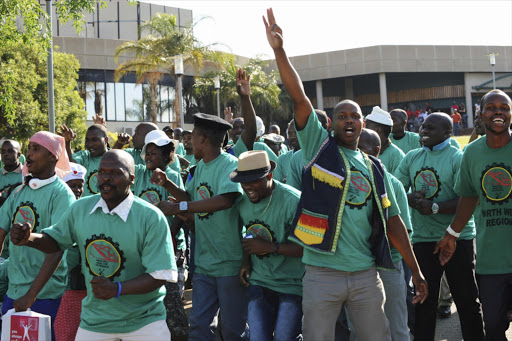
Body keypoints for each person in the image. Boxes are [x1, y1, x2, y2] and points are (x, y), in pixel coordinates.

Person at [263, 8, 427, 340]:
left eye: (355, 116)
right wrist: (279, 50)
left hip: (367, 274)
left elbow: (393, 221)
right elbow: (300, 98)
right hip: (323, 274)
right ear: (332, 123)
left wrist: (416, 269)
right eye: (342, 116)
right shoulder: (320, 149)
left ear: (363, 124)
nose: (349, 120)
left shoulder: (376, 168)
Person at [11, 149, 177, 340]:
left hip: (144, 321)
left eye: (115, 173)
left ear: (132, 179)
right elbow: (56, 242)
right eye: (102, 172)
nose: (106, 178)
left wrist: (117, 289)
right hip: (95, 321)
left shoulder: (150, 217)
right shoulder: (81, 209)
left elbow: (160, 274)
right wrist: (29, 238)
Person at [153, 69, 254, 341]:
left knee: (233, 330)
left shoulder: (229, 165)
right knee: (199, 326)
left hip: (230, 264)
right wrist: (169, 186)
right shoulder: (197, 170)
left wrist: (180, 209)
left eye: (192, 136)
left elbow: (226, 199)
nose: (189, 141)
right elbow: (189, 199)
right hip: (205, 264)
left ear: (202, 139)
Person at [395, 112, 484, 341]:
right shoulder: (411, 158)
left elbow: (468, 198)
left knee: (466, 301)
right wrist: (410, 197)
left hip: (457, 237)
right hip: (423, 240)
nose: (424, 130)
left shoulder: (457, 157)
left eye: (431, 128)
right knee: (425, 302)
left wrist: (433, 207)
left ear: (447, 132)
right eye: (423, 126)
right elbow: (396, 191)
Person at [436, 90, 512, 340]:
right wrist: (451, 234)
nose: (498, 112)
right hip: (491, 261)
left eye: (505, 107)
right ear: (480, 114)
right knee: (492, 326)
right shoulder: (471, 153)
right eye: (491, 108)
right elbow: (468, 197)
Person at [0, 131, 76, 339]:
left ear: (52, 156)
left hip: (44, 295)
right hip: (13, 292)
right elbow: (0, 231)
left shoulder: (62, 195)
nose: (29, 154)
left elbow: (57, 248)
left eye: (35, 149)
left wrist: (31, 296)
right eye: (29, 149)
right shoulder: (18, 192)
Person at [232, 151, 304, 341]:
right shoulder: (242, 202)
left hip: (292, 284)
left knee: (284, 337)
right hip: (260, 281)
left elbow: (308, 249)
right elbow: (248, 233)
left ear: (270, 176)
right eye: (243, 181)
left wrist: (270, 247)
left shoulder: (294, 201)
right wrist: (246, 260)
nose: (247, 186)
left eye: (254, 180)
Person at [357, 128, 413, 341]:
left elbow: (402, 230)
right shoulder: (350, 182)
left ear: (377, 150)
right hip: (359, 267)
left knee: (396, 325)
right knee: (360, 328)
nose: (358, 154)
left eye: (363, 149)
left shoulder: (393, 184)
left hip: (388, 266)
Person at [53, 162, 87, 341]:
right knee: (65, 333)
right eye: (71, 185)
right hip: (63, 286)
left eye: (79, 185)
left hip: (84, 285)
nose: (77, 189)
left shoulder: (86, 209)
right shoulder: (58, 209)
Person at [60, 124, 109, 197]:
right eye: (87, 140)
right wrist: (67, 142)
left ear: (106, 140)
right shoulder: (84, 156)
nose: (90, 144)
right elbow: (71, 165)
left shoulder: (114, 158)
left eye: (94, 140)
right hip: (86, 207)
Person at [364, 106, 405, 174]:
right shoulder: (362, 150)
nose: (364, 130)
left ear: (378, 130)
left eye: (367, 127)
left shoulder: (397, 156)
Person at [0, 139, 23, 207]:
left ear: (18, 155)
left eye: (10, 151)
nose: (6, 154)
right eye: (3, 151)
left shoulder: (28, 175)